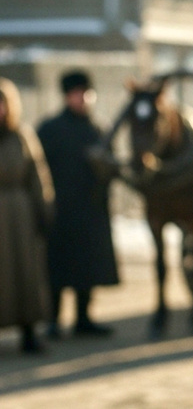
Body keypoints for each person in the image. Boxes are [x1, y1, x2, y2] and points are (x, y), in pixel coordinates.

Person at [37, 70, 118, 338]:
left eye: (85, 94)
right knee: (57, 268)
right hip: (60, 211)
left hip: (90, 210)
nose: (81, 99)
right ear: (67, 96)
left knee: (87, 268)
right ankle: (53, 320)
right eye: (76, 94)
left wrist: (104, 165)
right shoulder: (49, 130)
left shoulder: (99, 130)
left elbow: (113, 169)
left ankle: (84, 318)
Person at [0, 78, 55, 354]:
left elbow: (37, 174)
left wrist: (44, 210)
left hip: (19, 214)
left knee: (25, 272)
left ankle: (29, 330)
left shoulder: (22, 135)